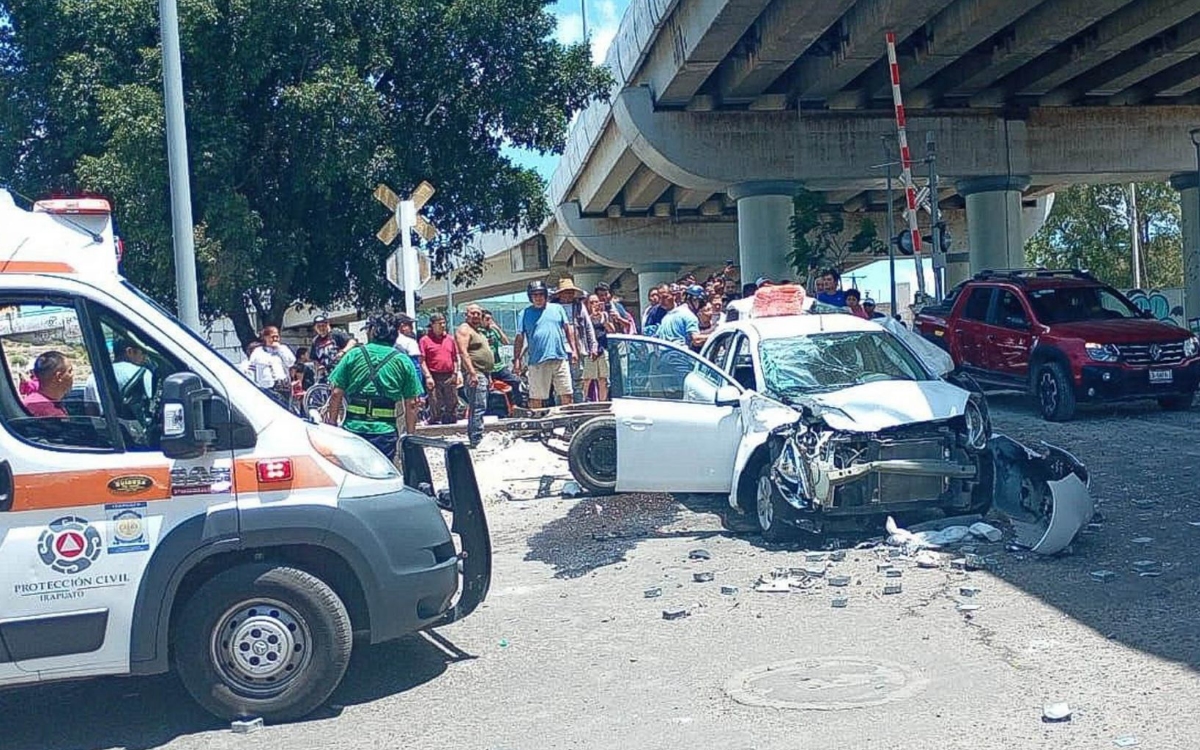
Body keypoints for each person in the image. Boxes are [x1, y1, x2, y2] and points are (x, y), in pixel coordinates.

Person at [325, 312, 421, 460]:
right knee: (382, 476)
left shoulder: (353, 355)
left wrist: (332, 425)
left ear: (372, 331)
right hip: (384, 432)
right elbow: (412, 404)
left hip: (353, 430)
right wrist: (409, 436)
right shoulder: (403, 361)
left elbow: (336, 393)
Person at [513, 279, 578, 410]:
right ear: (530, 297)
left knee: (567, 393)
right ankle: (537, 424)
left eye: (540, 294)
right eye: (535, 295)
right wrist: (517, 359)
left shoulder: (557, 309)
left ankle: (569, 423)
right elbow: (520, 337)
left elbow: (568, 329)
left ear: (545, 295)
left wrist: (574, 349)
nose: (538, 298)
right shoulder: (524, 313)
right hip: (537, 361)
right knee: (537, 397)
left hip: (559, 358)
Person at [455, 304, 495, 448]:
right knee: (478, 405)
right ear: (467, 315)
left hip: (483, 373)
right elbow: (463, 353)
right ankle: (476, 437)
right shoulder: (464, 330)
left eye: (478, 313)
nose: (476, 316)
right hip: (475, 372)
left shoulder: (479, 331)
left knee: (481, 405)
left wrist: (488, 375)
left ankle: (477, 435)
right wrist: (472, 373)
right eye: (473, 313)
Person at [82, 337, 153, 415]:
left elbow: (90, 411)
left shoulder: (94, 376)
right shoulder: (144, 373)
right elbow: (150, 406)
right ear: (130, 351)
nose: (146, 357)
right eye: (143, 352)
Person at [553, 277, 597, 401]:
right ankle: (561, 408)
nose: (568, 295)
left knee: (578, 381)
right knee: (560, 382)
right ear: (560, 294)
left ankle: (578, 406)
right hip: (558, 350)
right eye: (566, 292)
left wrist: (593, 345)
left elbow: (588, 327)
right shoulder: (553, 307)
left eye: (570, 292)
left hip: (578, 348)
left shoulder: (579, 307)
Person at [419, 312, 460, 425]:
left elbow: (455, 358)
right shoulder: (425, 340)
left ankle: (450, 421)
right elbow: (422, 360)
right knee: (435, 401)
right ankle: (434, 420)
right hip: (434, 375)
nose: (443, 326)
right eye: (439, 323)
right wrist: (428, 376)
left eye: (444, 323)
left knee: (452, 401)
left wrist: (456, 373)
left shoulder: (450, 339)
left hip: (449, 374)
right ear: (432, 325)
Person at [248, 325, 295, 404]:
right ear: (265, 338)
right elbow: (251, 370)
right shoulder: (258, 352)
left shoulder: (283, 349)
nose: (275, 339)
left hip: (283, 387)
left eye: (277, 337)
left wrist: (279, 348)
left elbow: (291, 362)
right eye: (272, 337)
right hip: (266, 387)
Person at [482, 309, 522, 402]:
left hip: (498, 366)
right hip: (486, 368)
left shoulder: (493, 330)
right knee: (487, 389)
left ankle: (516, 404)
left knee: (515, 381)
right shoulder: (478, 333)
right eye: (487, 319)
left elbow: (506, 342)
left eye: (491, 319)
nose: (489, 322)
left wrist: (497, 329)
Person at [582, 294, 615, 402]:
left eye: (596, 302)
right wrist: (592, 315)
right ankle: (584, 400)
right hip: (590, 351)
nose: (594, 305)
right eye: (591, 303)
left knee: (603, 379)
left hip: (603, 349)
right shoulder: (585, 316)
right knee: (587, 378)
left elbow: (612, 330)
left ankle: (603, 402)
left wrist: (603, 319)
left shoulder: (604, 315)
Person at [22, 350, 73, 417]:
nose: (73, 375)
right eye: (70, 371)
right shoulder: (44, 410)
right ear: (59, 376)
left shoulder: (34, 402)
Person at [310, 314, 356, 379]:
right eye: (318, 326)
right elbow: (314, 359)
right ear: (315, 328)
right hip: (326, 374)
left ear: (327, 325)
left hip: (341, 370)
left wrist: (342, 352)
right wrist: (319, 366)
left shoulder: (336, 334)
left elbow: (352, 342)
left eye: (323, 325)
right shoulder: (315, 341)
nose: (321, 328)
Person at [393, 314, 425, 401]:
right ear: (402, 326)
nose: (412, 328)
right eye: (410, 325)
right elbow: (416, 368)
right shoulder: (409, 342)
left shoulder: (387, 341)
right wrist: (419, 393)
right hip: (407, 386)